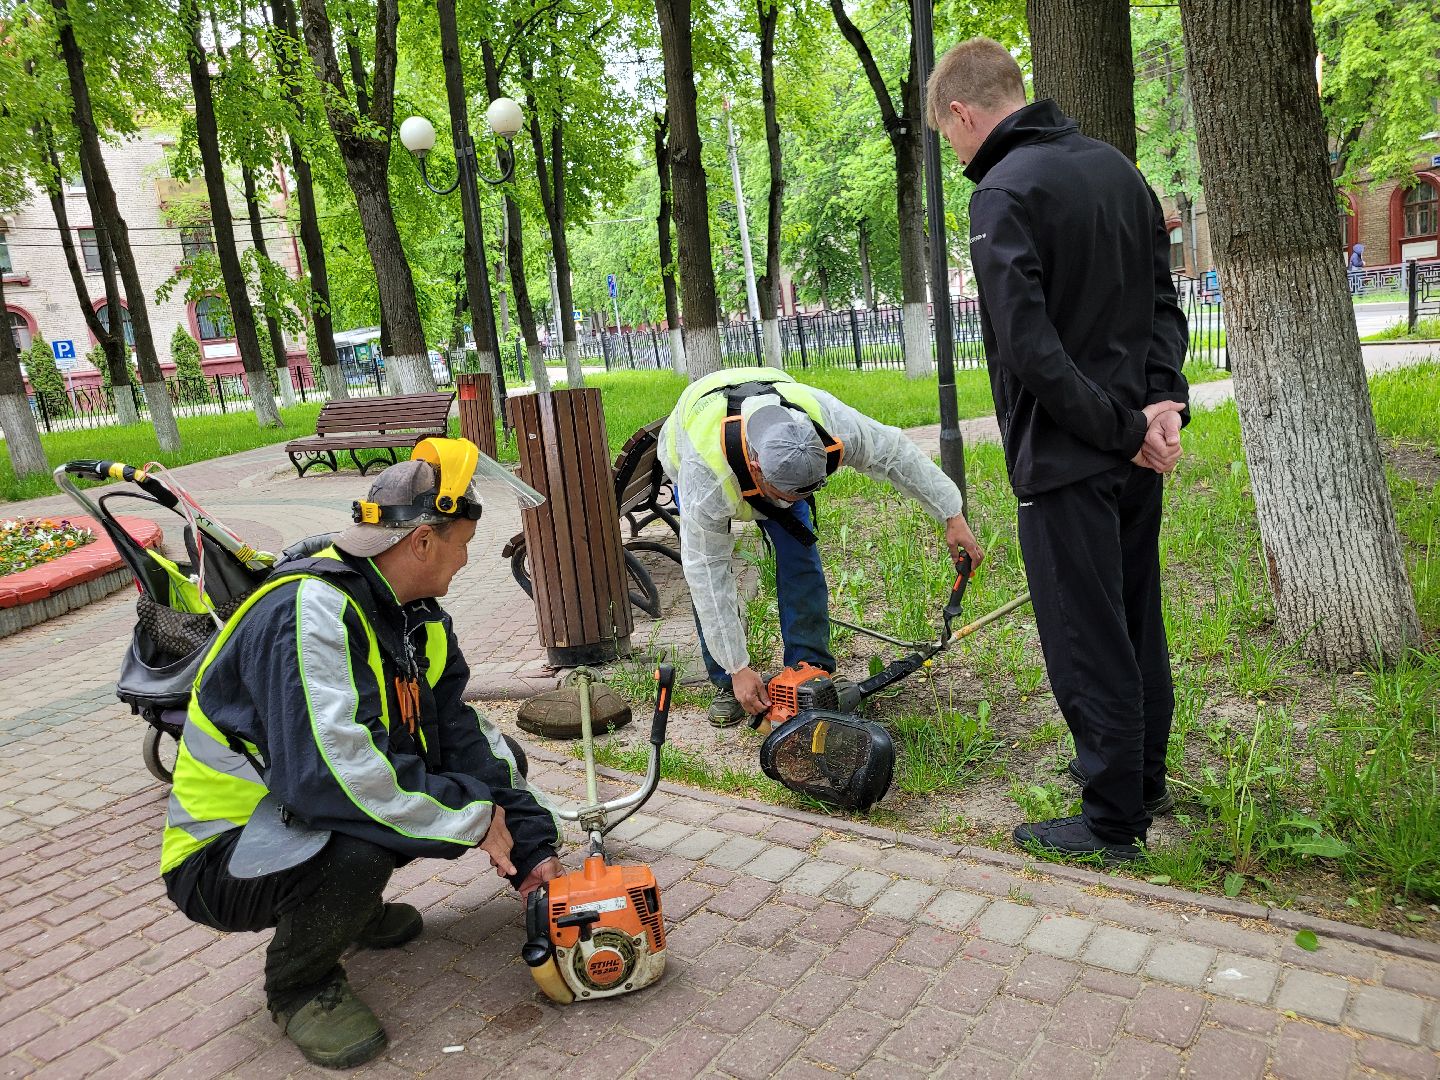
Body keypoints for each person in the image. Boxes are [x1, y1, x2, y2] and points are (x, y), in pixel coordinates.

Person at [160, 440, 563, 1069]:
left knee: (486, 767)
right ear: (422, 542)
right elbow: (331, 780)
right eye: (461, 544)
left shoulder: (415, 615)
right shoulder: (308, 612)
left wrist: (531, 843)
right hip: (223, 855)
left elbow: (460, 733)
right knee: (363, 841)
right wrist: (476, 821)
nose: (463, 562)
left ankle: (348, 913)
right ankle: (299, 987)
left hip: (295, 815)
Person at [927, 38, 1189, 862]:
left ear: (963, 113)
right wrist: (1160, 404)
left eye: (949, 136)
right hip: (1134, 449)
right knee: (1137, 620)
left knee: (1087, 635)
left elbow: (1031, 351)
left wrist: (1122, 426)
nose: (957, 153)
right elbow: (1160, 302)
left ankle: (1110, 822)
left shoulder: (1002, 194)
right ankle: (1142, 781)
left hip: (1070, 456)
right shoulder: (1117, 168)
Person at [659, 366, 984, 726]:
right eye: (785, 494)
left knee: (801, 562)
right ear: (756, 468)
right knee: (707, 577)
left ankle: (810, 669)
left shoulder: (826, 419)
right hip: (695, 442)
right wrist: (736, 665)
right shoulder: (704, 474)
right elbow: (707, 572)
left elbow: (896, 453)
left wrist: (951, 514)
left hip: (772, 439)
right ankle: (730, 684)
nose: (797, 499)